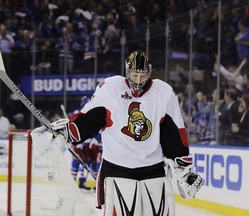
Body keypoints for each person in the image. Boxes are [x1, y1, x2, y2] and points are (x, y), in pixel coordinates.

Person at [32, 50, 203, 215]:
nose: (137, 80)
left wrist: (184, 167)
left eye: (142, 75)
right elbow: (89, 119)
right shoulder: (111, 88)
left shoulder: (163, 93)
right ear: (127, 71)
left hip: (153, 170)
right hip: (117, 169)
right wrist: (64, 132)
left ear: (149, 72)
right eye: (134, 75)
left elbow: (173, 133)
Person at [70, 96, 101, 190]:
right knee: (76, 161)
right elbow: (72, 128)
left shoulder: (91, 115)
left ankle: (82, 182)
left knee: (87, 163)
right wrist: (75, 141)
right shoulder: (77, 114)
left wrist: (94, 139)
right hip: (78, 143)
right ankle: (72, 182)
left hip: (87, 145)